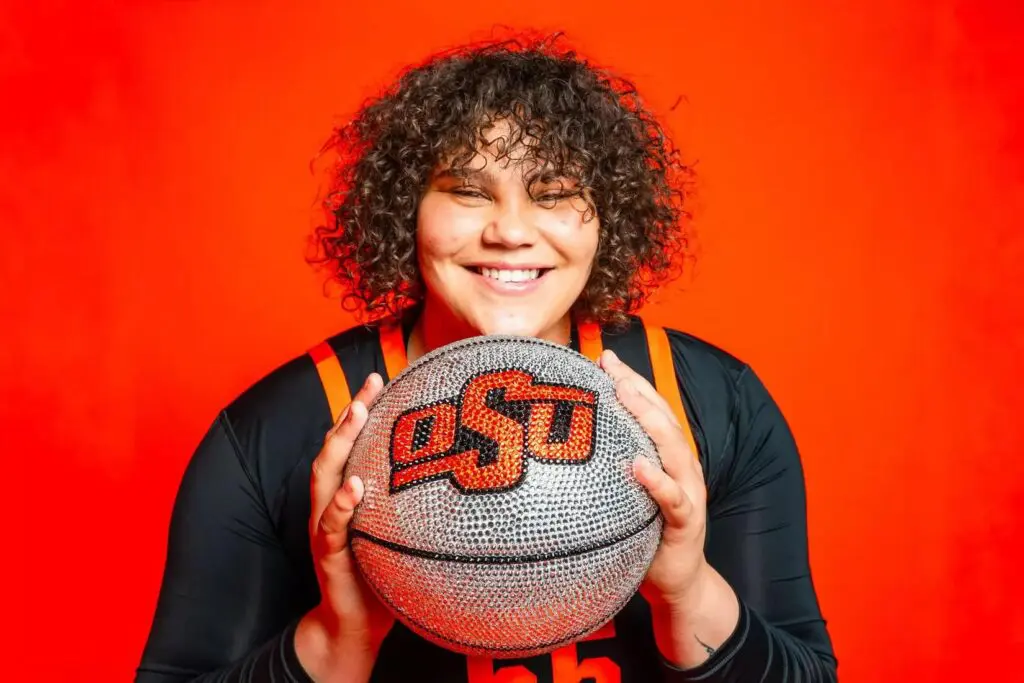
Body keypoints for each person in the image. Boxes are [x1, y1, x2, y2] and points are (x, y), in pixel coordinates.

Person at [136, 36, 838, 683]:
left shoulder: (715, 404)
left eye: (555, 193)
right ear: (405, 207)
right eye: (468, 191)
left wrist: (687, 591)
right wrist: (337, 635)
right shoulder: (280, 429)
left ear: (609, 215)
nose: (508, 230)